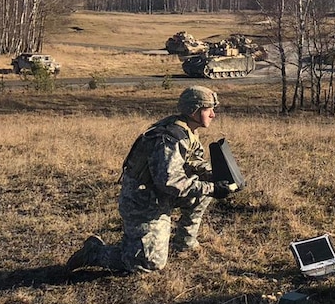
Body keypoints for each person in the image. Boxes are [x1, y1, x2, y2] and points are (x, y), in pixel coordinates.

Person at [66, 85, 237, 273]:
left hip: (159, 194)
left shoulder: (187, 130)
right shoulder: (170, 138)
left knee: (203, 191)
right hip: (143, 202)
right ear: (193, 110)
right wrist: (211, 188)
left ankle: (184, 243)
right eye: (208, 109)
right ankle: (95, 253)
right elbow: (170, 182)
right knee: (148, 263)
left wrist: (216, 176)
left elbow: (192, 162)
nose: (213, 114)